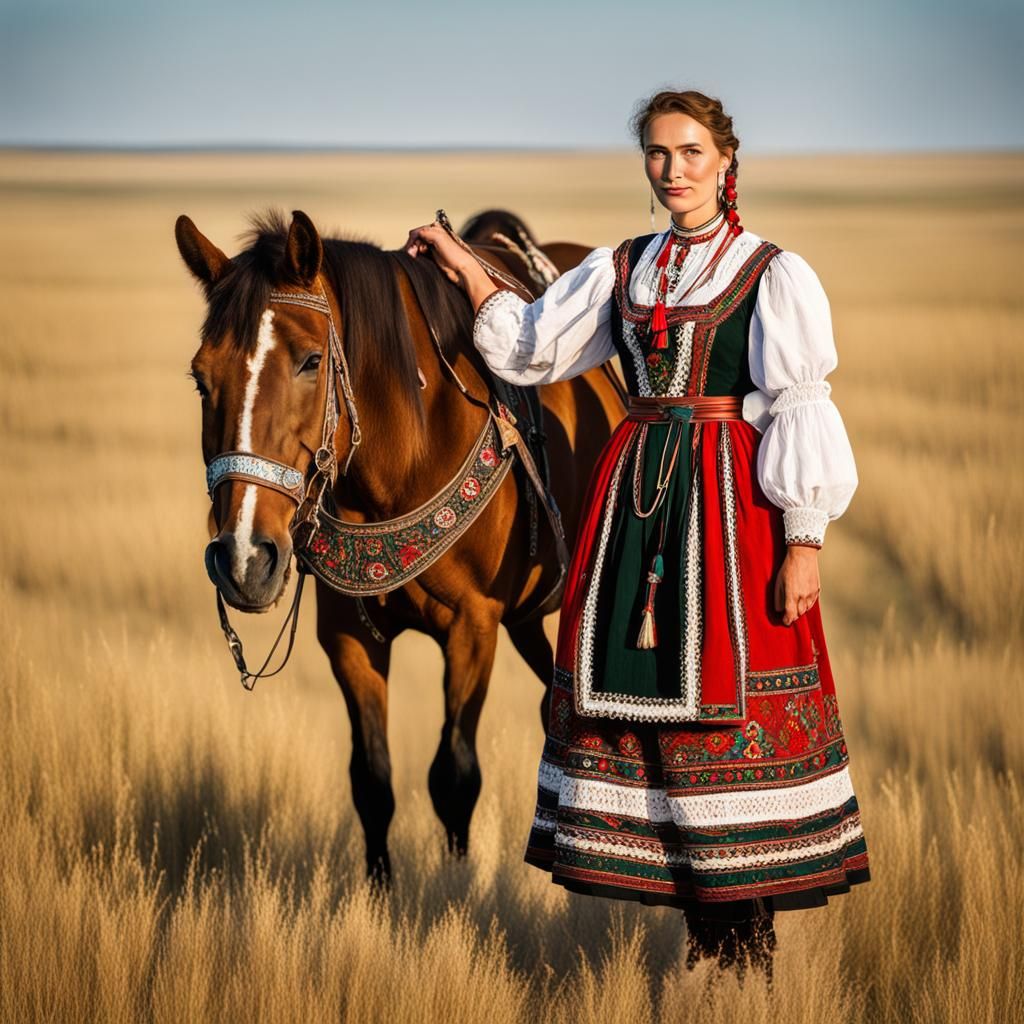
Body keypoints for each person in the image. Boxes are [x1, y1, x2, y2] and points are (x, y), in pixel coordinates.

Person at [404, 89, 870, 981]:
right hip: (638, 509)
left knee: (720, 706)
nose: (674, 170)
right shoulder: (626, 267)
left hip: (731, 508)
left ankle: (747, 952)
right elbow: (532, 347)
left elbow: (801, 405)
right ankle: (708, 947)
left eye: (691, 152)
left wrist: (804, 538)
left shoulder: (769, 271)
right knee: (646, 710)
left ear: (726, 159)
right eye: (658, 154)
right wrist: (466, 266)